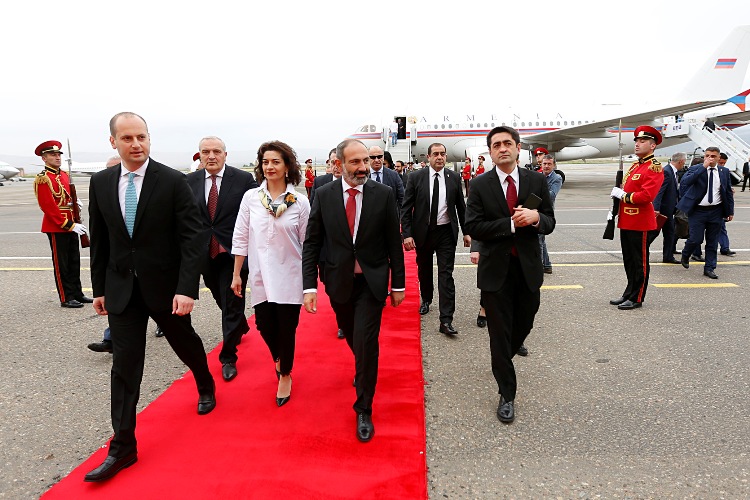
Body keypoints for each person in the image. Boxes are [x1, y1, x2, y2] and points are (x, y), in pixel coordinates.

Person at [84, 112, 216, 482]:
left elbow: (194, 237)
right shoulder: (102, 182)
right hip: (122, 290)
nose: (136, 144)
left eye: (141, 136)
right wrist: (100, 290)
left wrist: (187, 288)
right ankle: (123, 447)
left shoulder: (172, 181)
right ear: (113, 142)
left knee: (184, 342)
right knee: (124, 366)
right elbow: (102, 239)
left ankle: (204, 381)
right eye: (127, 138)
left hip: (166, 288)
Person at [302, 138, 405, 443]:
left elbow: (392, 243)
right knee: (352, 335)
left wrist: (397, 284)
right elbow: (312, 243)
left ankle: (364, 407)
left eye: (366, 161)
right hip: (338, 282)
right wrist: (310, 286)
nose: (363, 168)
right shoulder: (323, 195)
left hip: (372, 283)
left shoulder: (383, 194)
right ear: (339, 164)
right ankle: (362, 367)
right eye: (355, 162)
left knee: (366, 341)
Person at [464, 126, 555, 423]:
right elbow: (474, 226)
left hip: (527, 269)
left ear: (517, 148)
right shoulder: (478, 185)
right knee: (498, 334)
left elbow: (551, 221)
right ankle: (507, 393)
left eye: (507, 143)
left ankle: (502, 358)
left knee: (525, 322)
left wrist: (537, 217)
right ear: (490, 152)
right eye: (496, 145)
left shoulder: (536, 180)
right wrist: (512, 225)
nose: (502, 148)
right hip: (495, 271)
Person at [231, 140, 310, 406]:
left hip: (290, 273)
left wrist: (310, 283)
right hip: (261, 275)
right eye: (265, 162)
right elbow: (240, 236)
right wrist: (236, 274)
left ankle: (285, 373)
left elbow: (307, 243)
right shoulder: (251, 198)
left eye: (276, 161)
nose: (269, 167)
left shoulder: (299, 202)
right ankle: (280, 357)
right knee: (264, 324)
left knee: (287, 328)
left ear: (287, 166)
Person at [186, 136, 258, 382]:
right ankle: (240, 324)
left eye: (216, 151)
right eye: (205, 151)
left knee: (230, 301)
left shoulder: (243, 180)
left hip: (234, 253)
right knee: (219, 295)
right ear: (200, 155)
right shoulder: (191, 181)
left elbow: (254, 213)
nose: (211, 156)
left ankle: (228, 356)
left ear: (226, 154)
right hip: (205, 253)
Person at [402, 142, 470, 336]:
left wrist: (466, 231)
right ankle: (427, 298)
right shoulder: (415, 177)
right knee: (424, 269)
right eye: (436, 154)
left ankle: (446, 320)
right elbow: (406, 208)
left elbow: (460, 207)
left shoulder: (454, 178)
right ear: (429, 157)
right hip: (423, 232)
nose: (440, 157)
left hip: (446, 233)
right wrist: (406, 234)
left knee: (446, 274)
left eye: (443, 154)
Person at [608, 126, 664, 310]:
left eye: (642, 141)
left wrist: (623, 196)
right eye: (637, 141)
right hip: (627, 220)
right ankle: (629, 292)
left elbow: (647, 196)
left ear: (652, 145)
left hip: (640, 222)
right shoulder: (636, 165)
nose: (638, 144)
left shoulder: (653, 167)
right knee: (629, 260)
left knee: (640, 262)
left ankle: (637, 297)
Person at [33, 140, 92, 308]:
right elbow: (48, 207)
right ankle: (66, 297)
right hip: (57, 226)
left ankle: (77, 293)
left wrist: (76, 202)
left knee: (74, 261)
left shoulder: (64, 175)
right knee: (62, 264)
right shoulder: (44, 179)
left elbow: (67, 197)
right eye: (53, 155)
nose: (57, 157)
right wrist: (68, 225)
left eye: (58, 154)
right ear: (44, 158)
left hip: (72, 222)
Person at [678, 146, 734, 279]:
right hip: (698, 211)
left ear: (719, 158)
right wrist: (703, 167)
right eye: (707, 155)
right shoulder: (696, 169)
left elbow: (727, 192)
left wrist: (730, 211)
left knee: (712, 241)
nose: (710, 158)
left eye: (713, 156)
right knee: (695, 239)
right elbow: (685, 182)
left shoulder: (724, 171)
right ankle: (686, 254)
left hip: (716, 211)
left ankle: (709, 268)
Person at [87, 155, 123, 354]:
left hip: (149, 262)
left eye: (113, 169)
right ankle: (111, 339)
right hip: (115, 260)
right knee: (117, 301)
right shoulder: (103, 190)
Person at [310, 148, 346, 340]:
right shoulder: (320, 183)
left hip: (349, 249)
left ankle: (345, 323)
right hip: (326, 248)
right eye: (333, 162)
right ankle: (342, 317)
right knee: (331, 287)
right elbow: (313, 216)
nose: (337, 166)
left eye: (340, 162)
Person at [650, 152, 685, 263]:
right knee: (654, 233)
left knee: (670, 233)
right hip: (663, 211)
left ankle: (668, 256)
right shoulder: (667, 172)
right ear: (680, 161)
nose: (684, 165)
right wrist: (656, 208)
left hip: (669, 210)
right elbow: (660, 191)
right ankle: (641, 250)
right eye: (683, 162)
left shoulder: (673, 172)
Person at [539, 154, 563, 274]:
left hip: (546, 212)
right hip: (536, 210)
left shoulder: (557, 178)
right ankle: (547, 265)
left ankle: (538, 267)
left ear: (553, 165)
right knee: (540, 239)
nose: (546, 166)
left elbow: (552, 195)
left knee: (538, 239)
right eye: (544, 164)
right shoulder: (538, 176)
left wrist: (537, 193)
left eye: (549, 164)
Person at [368, 145, 405, 216]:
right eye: (373, 157)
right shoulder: (363, 175)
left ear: (383, 157)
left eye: (379, 157)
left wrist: (401, 218)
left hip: (389, 218)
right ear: (368, 158)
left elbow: (402, 199)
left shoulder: (394, 175)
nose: (376, 160)